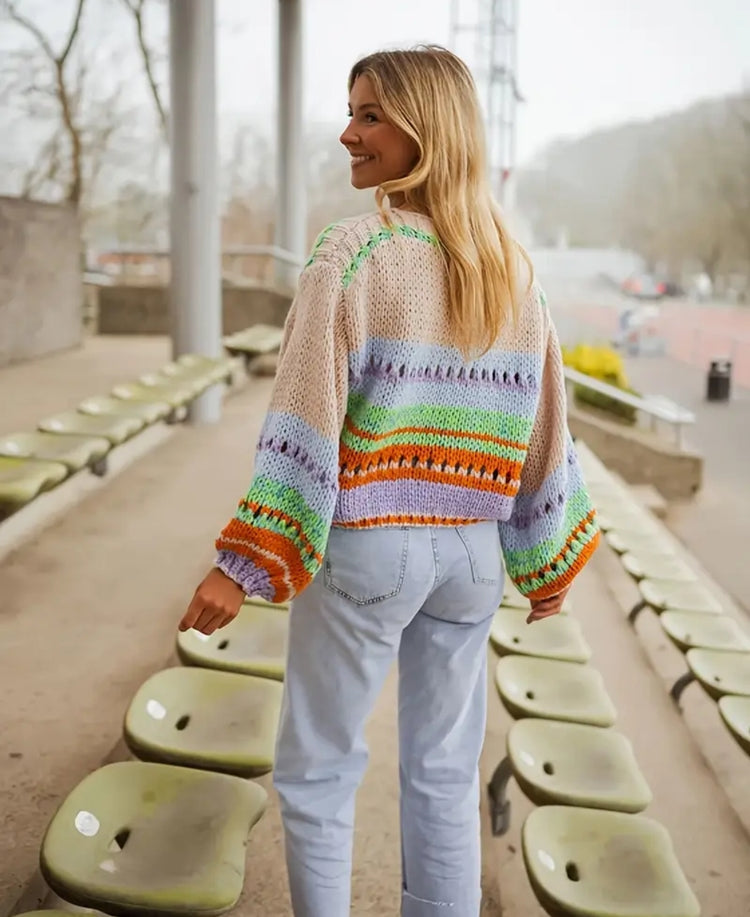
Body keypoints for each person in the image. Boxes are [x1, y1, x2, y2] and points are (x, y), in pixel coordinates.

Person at [179, 45, 599, 917]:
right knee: (444, 773)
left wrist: (241, 563)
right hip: (473, 559)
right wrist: (545, 558)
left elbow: (306, 417)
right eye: (352, 112)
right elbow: (546, 427)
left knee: (319, 770)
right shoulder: (513, 268)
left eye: (370, 115)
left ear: (427, 129)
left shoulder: (357, 252)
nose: (348, 134)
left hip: (370, 546)